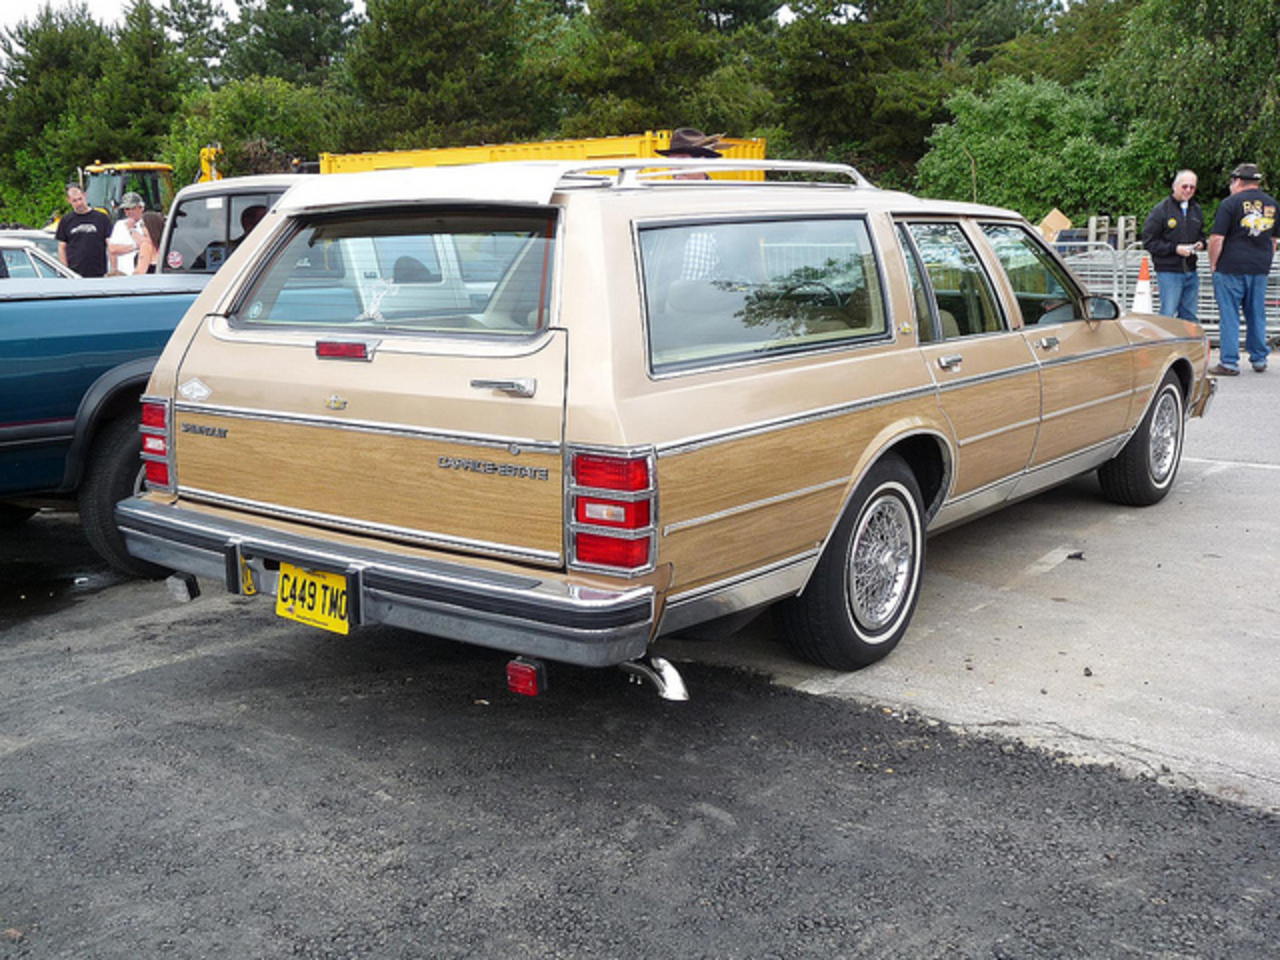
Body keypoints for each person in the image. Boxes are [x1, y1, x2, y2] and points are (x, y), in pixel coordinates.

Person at [1208, 163, 1278, 375]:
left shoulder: (1230, 204)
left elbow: (1217, 238)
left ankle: (1229, 362)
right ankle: (1259, 358)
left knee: (1229, 315)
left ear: (1237, 181)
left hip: (1231, 266)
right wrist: (1264, 261)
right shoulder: (1272, 204)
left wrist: (1213, 264)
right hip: (1259, 268)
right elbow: (1274, 240)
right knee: (1257, 313)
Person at [656, 128, 725, 278]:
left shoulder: (725, 205)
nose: (675, 170)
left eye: (681, 161)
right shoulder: (660, 204)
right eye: (672, 162)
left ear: (702, 162)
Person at [1142, 170, 1205, 320]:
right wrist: (1175, 249)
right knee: (1168, 313)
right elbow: (1149, 241)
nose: (1188, 190)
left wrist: (1201, 244)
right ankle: (1167, 343)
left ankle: (1188, 343)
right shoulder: (1160, 211)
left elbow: (1201, 235)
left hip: (1191, 270)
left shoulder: (1196, 210)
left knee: (1189, 314)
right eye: (1185, 186)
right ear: (1174, 186)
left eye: (1192, 187)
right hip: (1169, 271)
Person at [55, 184, 112, 277]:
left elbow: (110, 244)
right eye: (74, 201)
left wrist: (112, 269)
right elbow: (62, 247)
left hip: (98, 272)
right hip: (74, 274)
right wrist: (65, 270)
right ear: (68, 200)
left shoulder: (101, 218)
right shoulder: (66, 220)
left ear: (85, 195)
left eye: (80, 199)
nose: (79, 203)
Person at [107, 192, 147, 274]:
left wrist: (131, 229)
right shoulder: (119, 225)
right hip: (122, 274)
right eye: (126, 209)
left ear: (141, 208)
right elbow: (112, 249)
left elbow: (145, 245)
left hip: (141, 274)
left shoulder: (148, 224)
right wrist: (135, 246)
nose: (128, 212)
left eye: (132, 208)